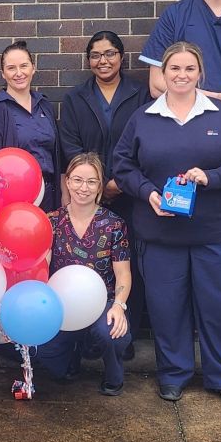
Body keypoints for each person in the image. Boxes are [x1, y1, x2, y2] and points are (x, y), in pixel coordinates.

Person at [114, 41, 221, 405]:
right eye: (174, 68)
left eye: (189, 68)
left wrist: (213, 177)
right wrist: (148, 193)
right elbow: (123, 166)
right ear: (162, 72)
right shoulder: (143, 117)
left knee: (220, 306)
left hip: (217, 233)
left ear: (200, 73)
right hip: (161, 233)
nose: (181, 75)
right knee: (167, 307)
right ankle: (173, 374)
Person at [138, 0, 221, 363]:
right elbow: (154, 84)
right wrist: (213, 99)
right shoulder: (178, 16)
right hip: (189, 141)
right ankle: (179, 361)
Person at [59, 31, 151, 361]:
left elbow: (145, 144)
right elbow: (69, 145)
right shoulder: (75, 98)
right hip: (85, 195)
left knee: (127, 265)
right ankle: (81, 332)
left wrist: (118, 182)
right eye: (96, 55)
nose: (103, 61)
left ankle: (121, 334)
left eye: (110, 54)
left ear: (121, 57)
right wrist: (93, 185)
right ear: (88, 60)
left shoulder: (139, 95)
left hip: (128, 195)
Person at [36, 153, 131, 396]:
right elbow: (41, 268)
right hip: (61, 305)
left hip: (102, 303)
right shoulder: (52, 221)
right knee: (51, 365)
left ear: (100, 186)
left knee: (112, 332)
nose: (83, 188)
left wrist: (119, 306)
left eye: (91, 182)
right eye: (77, 180)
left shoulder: (114, 224)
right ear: (67, 182)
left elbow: (123, 274)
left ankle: (113, 374)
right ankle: (72, 354)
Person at [0, 40, 63, 212]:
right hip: (15, 197)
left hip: (49, 195)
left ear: (33, 68)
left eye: (24, 66)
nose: (19, 73)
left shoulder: (44, 105)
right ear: (3, 73)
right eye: (11, 68)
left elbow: (57, 153)